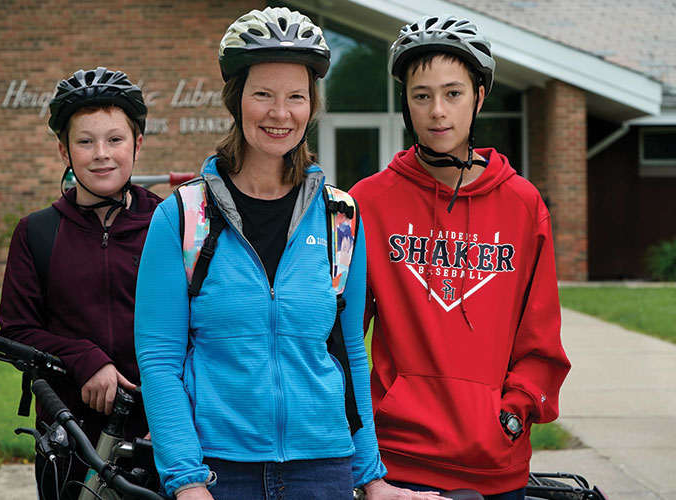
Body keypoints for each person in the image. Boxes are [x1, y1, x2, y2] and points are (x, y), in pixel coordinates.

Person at [134, 7, 444, 500]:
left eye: (296, 97)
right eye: (263, 95)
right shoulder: (184, 216)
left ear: (311, 106)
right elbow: (159, 359)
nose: (280, 114)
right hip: (219, 472)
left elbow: (350, 351)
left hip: (323, 469)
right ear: (237, 100)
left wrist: (371, 476)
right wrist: (186, 479)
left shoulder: (341, 217)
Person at [349, 14, 572, 500]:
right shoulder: (369, 202)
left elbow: (540, 339)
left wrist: (512, 415)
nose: (437, 111)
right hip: (398, 458)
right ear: (405, 102)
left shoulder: (522, 205)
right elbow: (338, 337)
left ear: (480, 97)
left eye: (453, 93)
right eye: (421, 95)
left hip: (495, 463)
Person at [0, 67, 162, 498]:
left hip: (159, 429)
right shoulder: (37, 232)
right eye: (85, 142)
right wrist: (84, 358)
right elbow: (16, 330)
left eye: (115, 139)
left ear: (137, 144)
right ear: (64, 151)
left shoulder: (169, 224)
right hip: (70, 436)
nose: (101, 154)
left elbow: (203, 325)